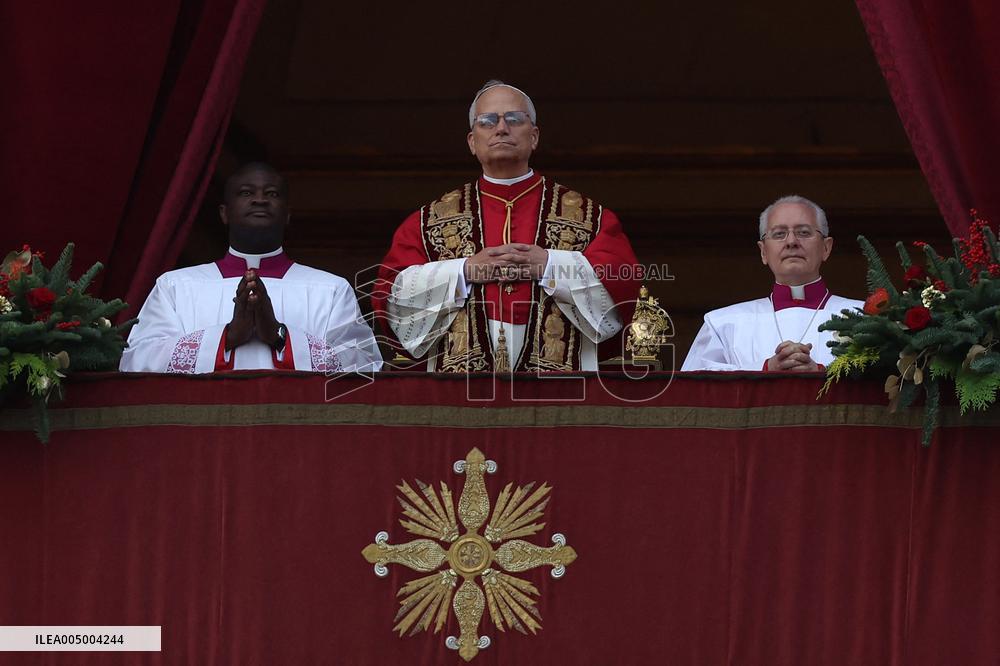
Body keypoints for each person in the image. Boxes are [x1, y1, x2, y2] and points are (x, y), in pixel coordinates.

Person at [375, 80, 639, 372]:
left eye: (514, 119)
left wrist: (550, 266)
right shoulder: (427, 222)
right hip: (461, 388)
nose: (501, 128)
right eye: (487, 121)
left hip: (558, 386)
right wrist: (464, 271)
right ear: (472, 142)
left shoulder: (590, 218)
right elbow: (391, 297)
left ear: (534, 136)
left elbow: (623, 286)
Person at [120, 162, 381, 373]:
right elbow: (137, 361)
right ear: (224, 213)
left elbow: (364, 366)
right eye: (246, 193)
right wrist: (227, 337)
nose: (260, 200)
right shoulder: (175, 286)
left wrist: (280, 336)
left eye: (272, 194)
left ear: (288, 214)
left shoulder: (331, 289)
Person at [681, 195, 863, 371]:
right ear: (763, 252)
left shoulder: (866, 318)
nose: (791, 242)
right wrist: (765, 368)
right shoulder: (722, 324)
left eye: (804, 232)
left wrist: (821, 372)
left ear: (826, 247)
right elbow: (695, 385)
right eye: (779, 234)